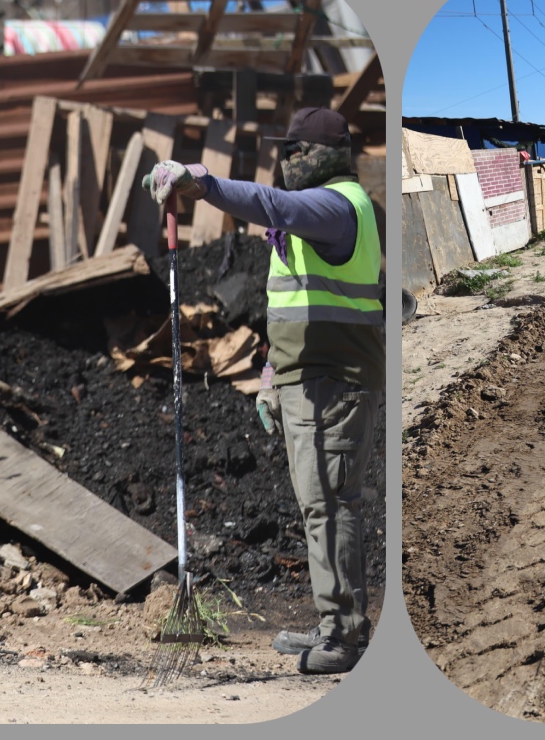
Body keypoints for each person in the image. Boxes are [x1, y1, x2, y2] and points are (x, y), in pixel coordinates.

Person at [142, 107, 383, 675]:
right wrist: (273, 377)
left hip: (334, 383)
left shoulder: (338, 205)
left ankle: (345, 636)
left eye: (299, 150)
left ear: (329, 154)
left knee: (330, 506)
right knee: (319, 506)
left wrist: (203, 181)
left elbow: (274, 205)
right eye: (286, 149)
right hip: (309, 379)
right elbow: (294, 304)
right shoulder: (313, 219)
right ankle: (333, 624)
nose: (288, 159)